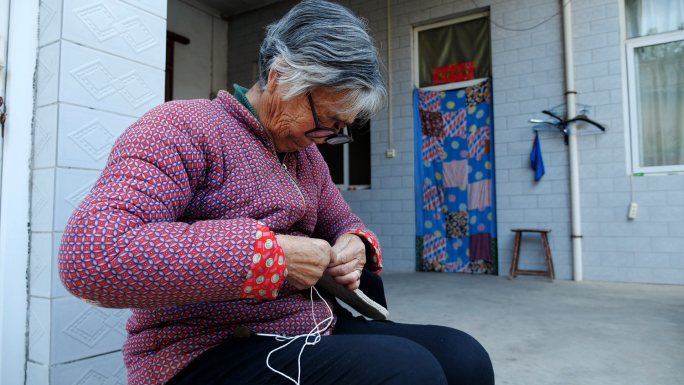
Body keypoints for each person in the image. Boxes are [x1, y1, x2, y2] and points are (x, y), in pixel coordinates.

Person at [58, 1, 494, 384]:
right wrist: (272, 256)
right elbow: (92, 256)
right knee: (407, 370)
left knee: (464, 357)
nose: (325, 138)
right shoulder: (182, 127)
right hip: (205, 348)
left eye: (339, 132)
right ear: (280, 78)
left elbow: (343, 221)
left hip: (308, 326)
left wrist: (354, 245)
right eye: (325, 120)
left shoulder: (306, 158)